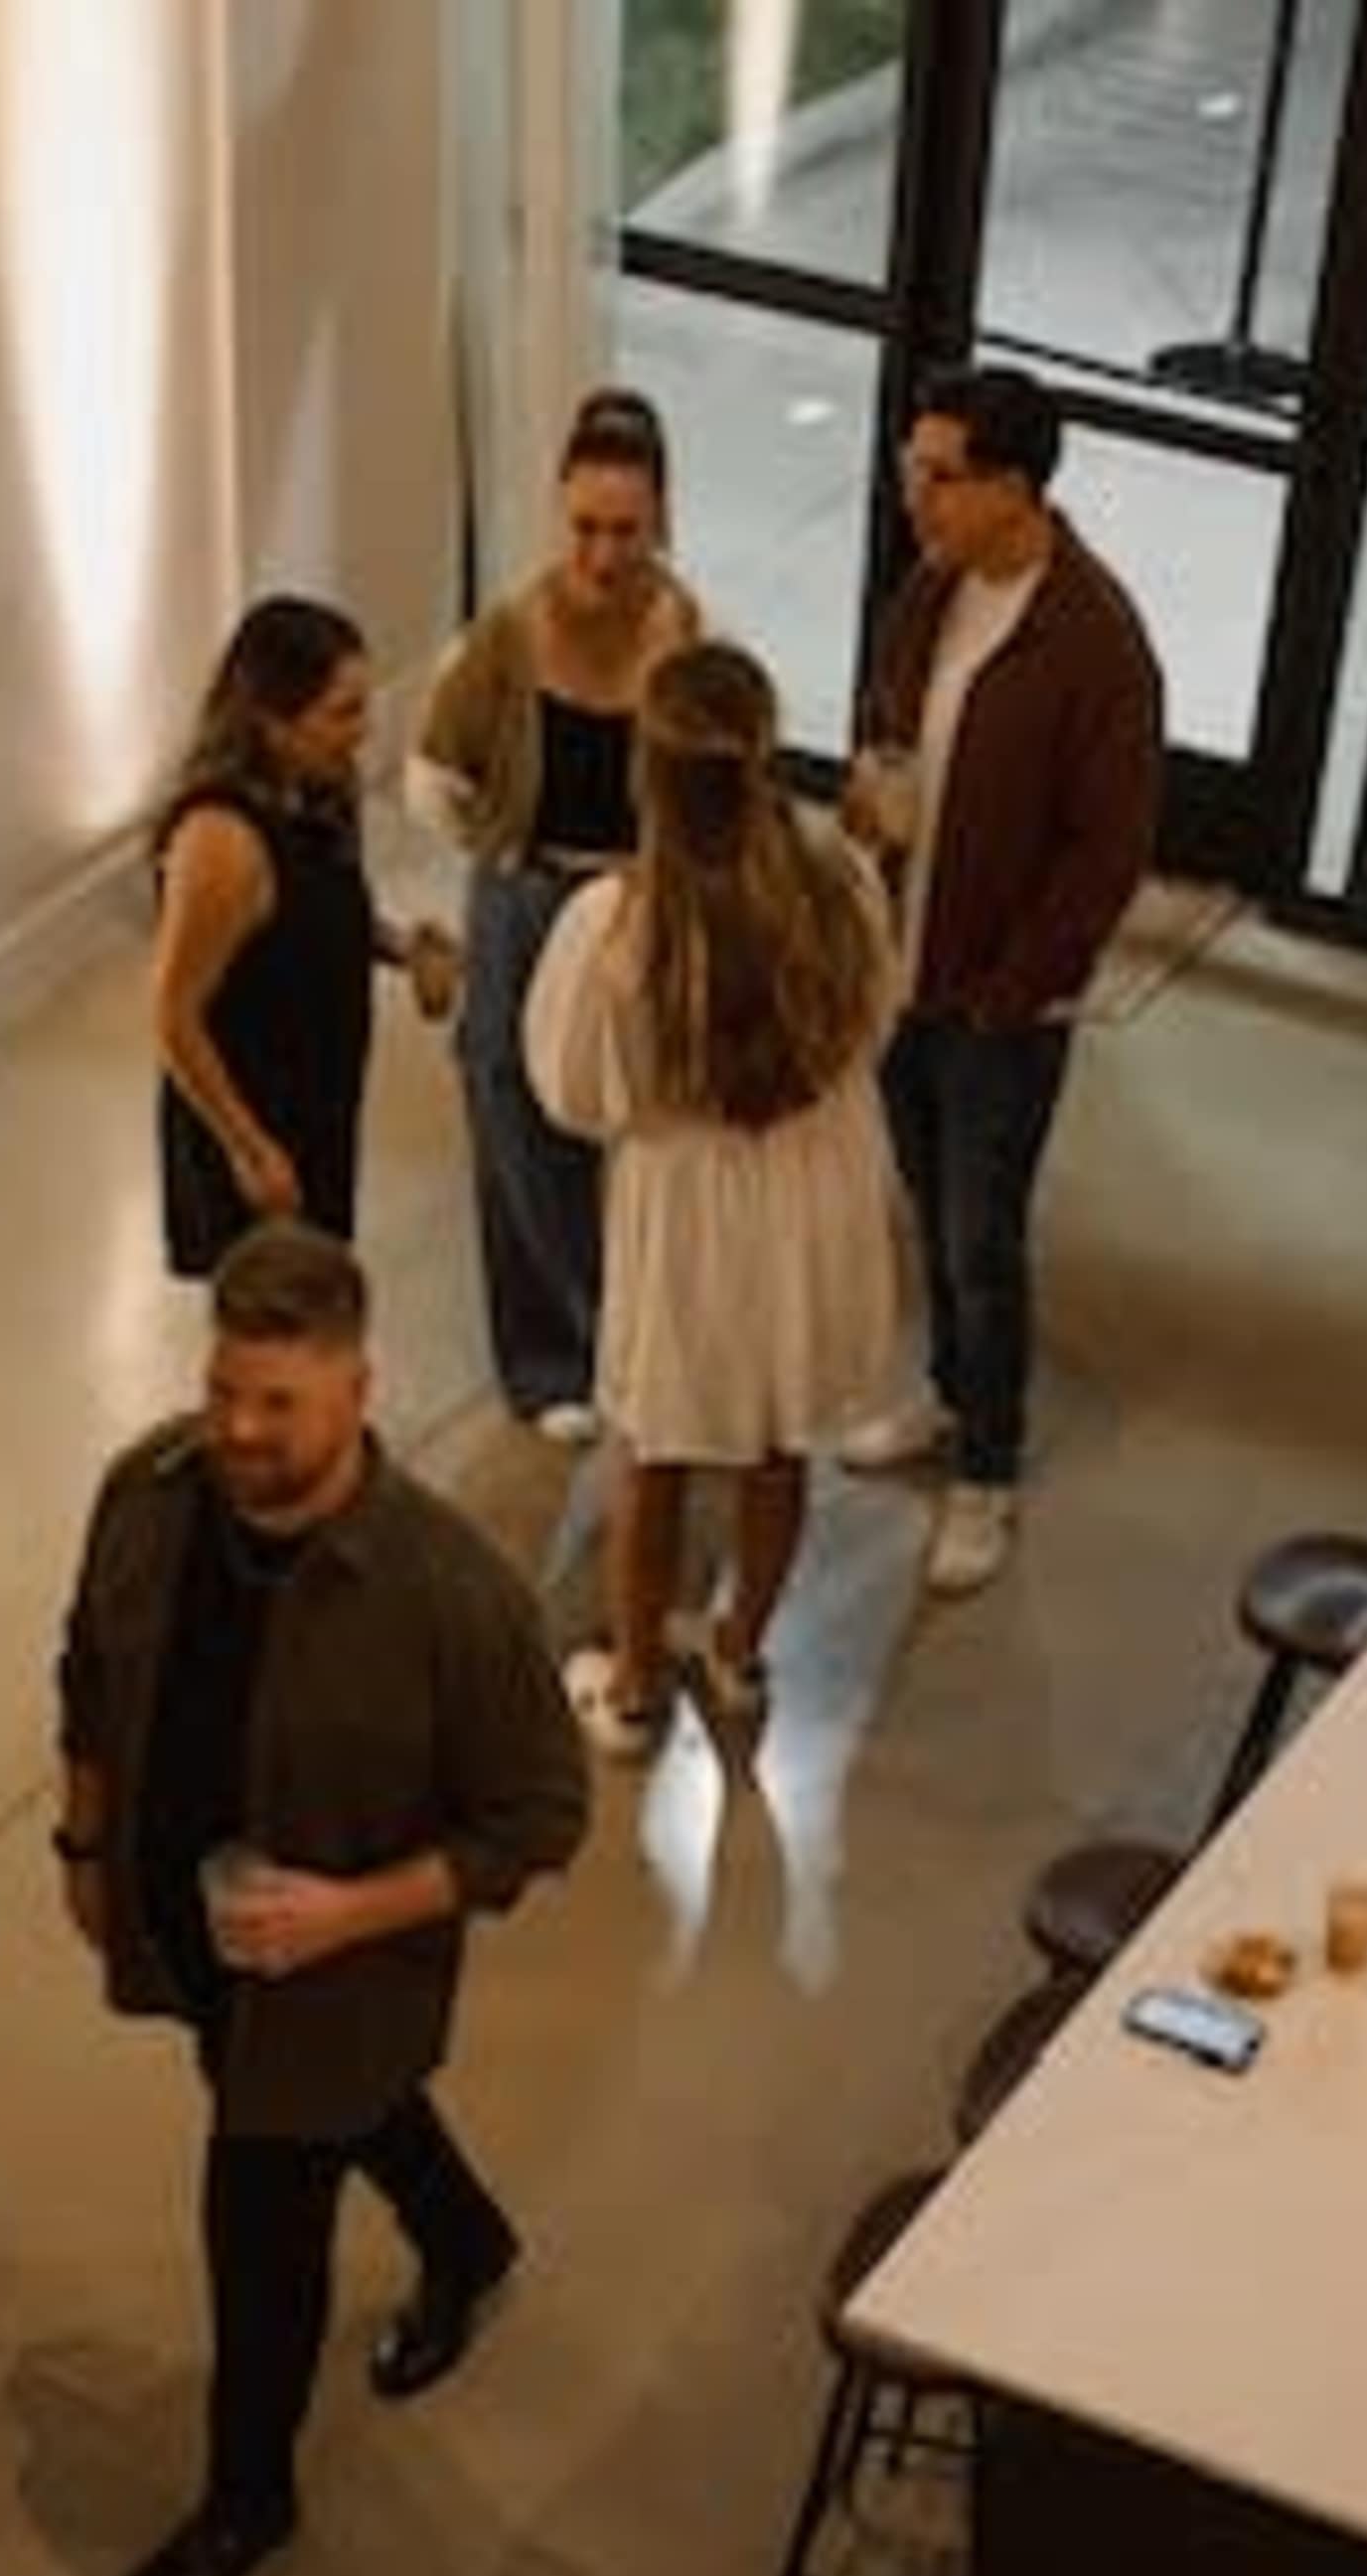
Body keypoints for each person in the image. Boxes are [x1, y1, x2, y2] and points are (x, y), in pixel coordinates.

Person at [50, 1219, 589, 2576]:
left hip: (338, 1978)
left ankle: (249, 2497)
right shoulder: (148, 1494)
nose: (238, 1428)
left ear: (360, 1389)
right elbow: (85, 1665)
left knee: (259, 2229)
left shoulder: (452, 1595)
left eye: (277, 1403)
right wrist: (86, 1837)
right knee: (343, 2107)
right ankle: (466, 2240)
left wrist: (352, 1913)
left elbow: (540, 1818)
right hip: (193, 1935)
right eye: (225, 1389)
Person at [523, 636, 902, 1759]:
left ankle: (635, 1687)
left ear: (649, 772)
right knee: (778, 1442)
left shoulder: (616, 924)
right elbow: (877, 1020)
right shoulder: (841, 882)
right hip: (811, 1194)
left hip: (689, 1211)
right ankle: (738, 1650)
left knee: (659, 1445)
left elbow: (575, 1092)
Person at [840, 359, 1160, 1600]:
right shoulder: (930, 593)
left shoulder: (1096, 644)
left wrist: (1013, 985)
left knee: (983, 1236)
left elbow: (1108, 852)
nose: (916, 498)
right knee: (926, 1204)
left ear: (1017, 487)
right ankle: (947, 1394)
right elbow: (889, 729)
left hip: (1000, 1010)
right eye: (909, 469)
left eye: (941, 477)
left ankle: (989, 1467)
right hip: (901, 972)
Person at [406, 383, 699, 1433]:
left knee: (641, 1117)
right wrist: (488, 846)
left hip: (633, 899)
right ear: (558, 509)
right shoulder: (508, 634)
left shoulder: (685, 633)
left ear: (661, 516)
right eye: (584, 528)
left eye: (626, 530)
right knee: (511, 1111)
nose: (604, 555)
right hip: (527, 894)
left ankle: (638, 1335)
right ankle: (550, 1361)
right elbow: (434, 771)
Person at [150, 595, 454, 1283]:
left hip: (318, 1096)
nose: (362, 732)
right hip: (253, 1113)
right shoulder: (221, 843)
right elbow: (172, 1015)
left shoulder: (321, 790)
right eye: (341, 713)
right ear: (273, 724)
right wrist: (250, 1149)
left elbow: (318, 916)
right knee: (274, 1316)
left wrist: (406, 949)